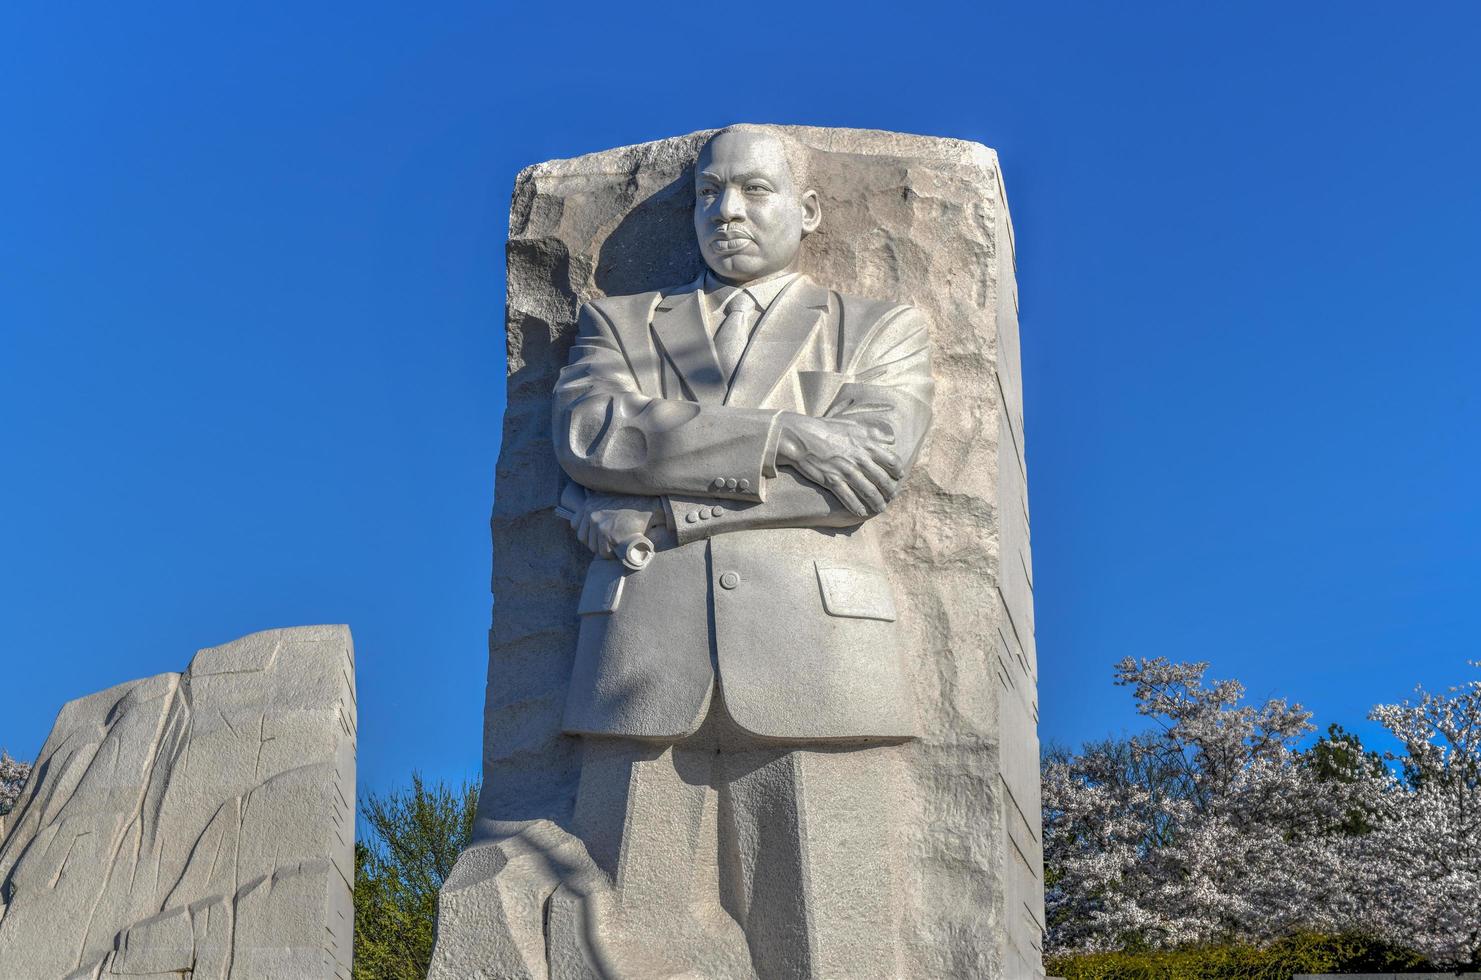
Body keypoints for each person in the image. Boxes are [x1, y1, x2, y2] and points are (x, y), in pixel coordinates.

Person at [550, 123, 934, 978]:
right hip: (639, 658)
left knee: (835, 945)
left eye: (754, 190)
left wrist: (660, 511)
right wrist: (782, 434)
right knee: (620, 940)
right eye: (708, 193)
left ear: (806, 210)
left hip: (820, 658)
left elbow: (861, 480)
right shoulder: (619, 325)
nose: (726, 211)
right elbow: (591, 434)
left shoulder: (876, 329)